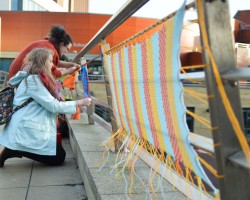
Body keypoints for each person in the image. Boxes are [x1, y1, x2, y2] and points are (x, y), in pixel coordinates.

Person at [0, 48, 91, 167]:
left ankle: (17, 148)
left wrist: (70, 70)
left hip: (27, 125)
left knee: (57, 152)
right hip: (24, 129)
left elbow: (53, 85)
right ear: (41, 62)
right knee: (59, 157)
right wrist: (79, 102)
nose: (52, 65)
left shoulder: (34, 77)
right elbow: (53, 105)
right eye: (50, 61)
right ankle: (15, 150)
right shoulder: (33, 81)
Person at [7, 25, 79, 80]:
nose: (66, 51)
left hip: (16, 75)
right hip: (19, 78)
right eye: (67, 48)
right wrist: (69, 71)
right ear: (61, 44)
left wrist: (70, 65)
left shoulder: (47, 44)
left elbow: (53, 63)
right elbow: (53, 74)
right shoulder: (50, 50)